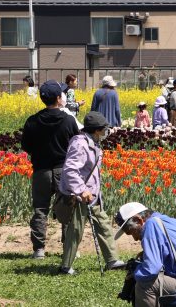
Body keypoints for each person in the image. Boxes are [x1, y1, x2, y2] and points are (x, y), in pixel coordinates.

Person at [59, 112, 125, 274]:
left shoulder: (92, 142)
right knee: (75, 230)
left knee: (103, 225)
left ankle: (112, 260)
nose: (106, 133)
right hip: (80, 196)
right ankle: (66, 266)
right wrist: (82, 190)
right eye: (104, 130)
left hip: (93, 196)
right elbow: (70, 169)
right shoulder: (80, 144)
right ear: (96, 130)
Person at [21, 80, 80, 259]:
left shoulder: (32, 121)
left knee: (40, 209)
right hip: (63, 170)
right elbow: (76, 144)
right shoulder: (68, 120)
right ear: (58, 97)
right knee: (67, 208)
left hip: (41, 170)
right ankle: (68, 247)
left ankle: (39, 249)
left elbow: (26, 146)